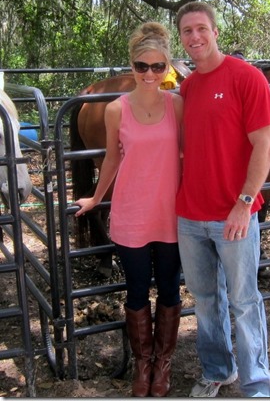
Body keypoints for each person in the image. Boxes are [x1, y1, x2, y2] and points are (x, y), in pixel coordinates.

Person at [175, 1, 270, 397]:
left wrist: (244, 201)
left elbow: (264, 145)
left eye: (201, 28)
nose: (195, 37)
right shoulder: (188, 87)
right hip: (189, 215)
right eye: (187, 31)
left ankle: (257, 382)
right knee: (205, 301)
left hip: (233, 213)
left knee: (244, 300)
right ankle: (219, 370)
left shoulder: (246, 78)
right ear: (182, 39)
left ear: (215, 31)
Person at [74, 22, 183, 398]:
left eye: (158, 67)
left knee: (169, 289)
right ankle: (143, 362)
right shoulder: (117, 110)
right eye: (142, 66)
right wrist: (95, 198)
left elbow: (190, 155)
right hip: (132, 213)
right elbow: (111, 160)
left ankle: (163, 363)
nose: (149, 74)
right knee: (137, 291)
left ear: (168, 67)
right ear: (132, 65)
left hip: (170, 213)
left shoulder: (178, 105)